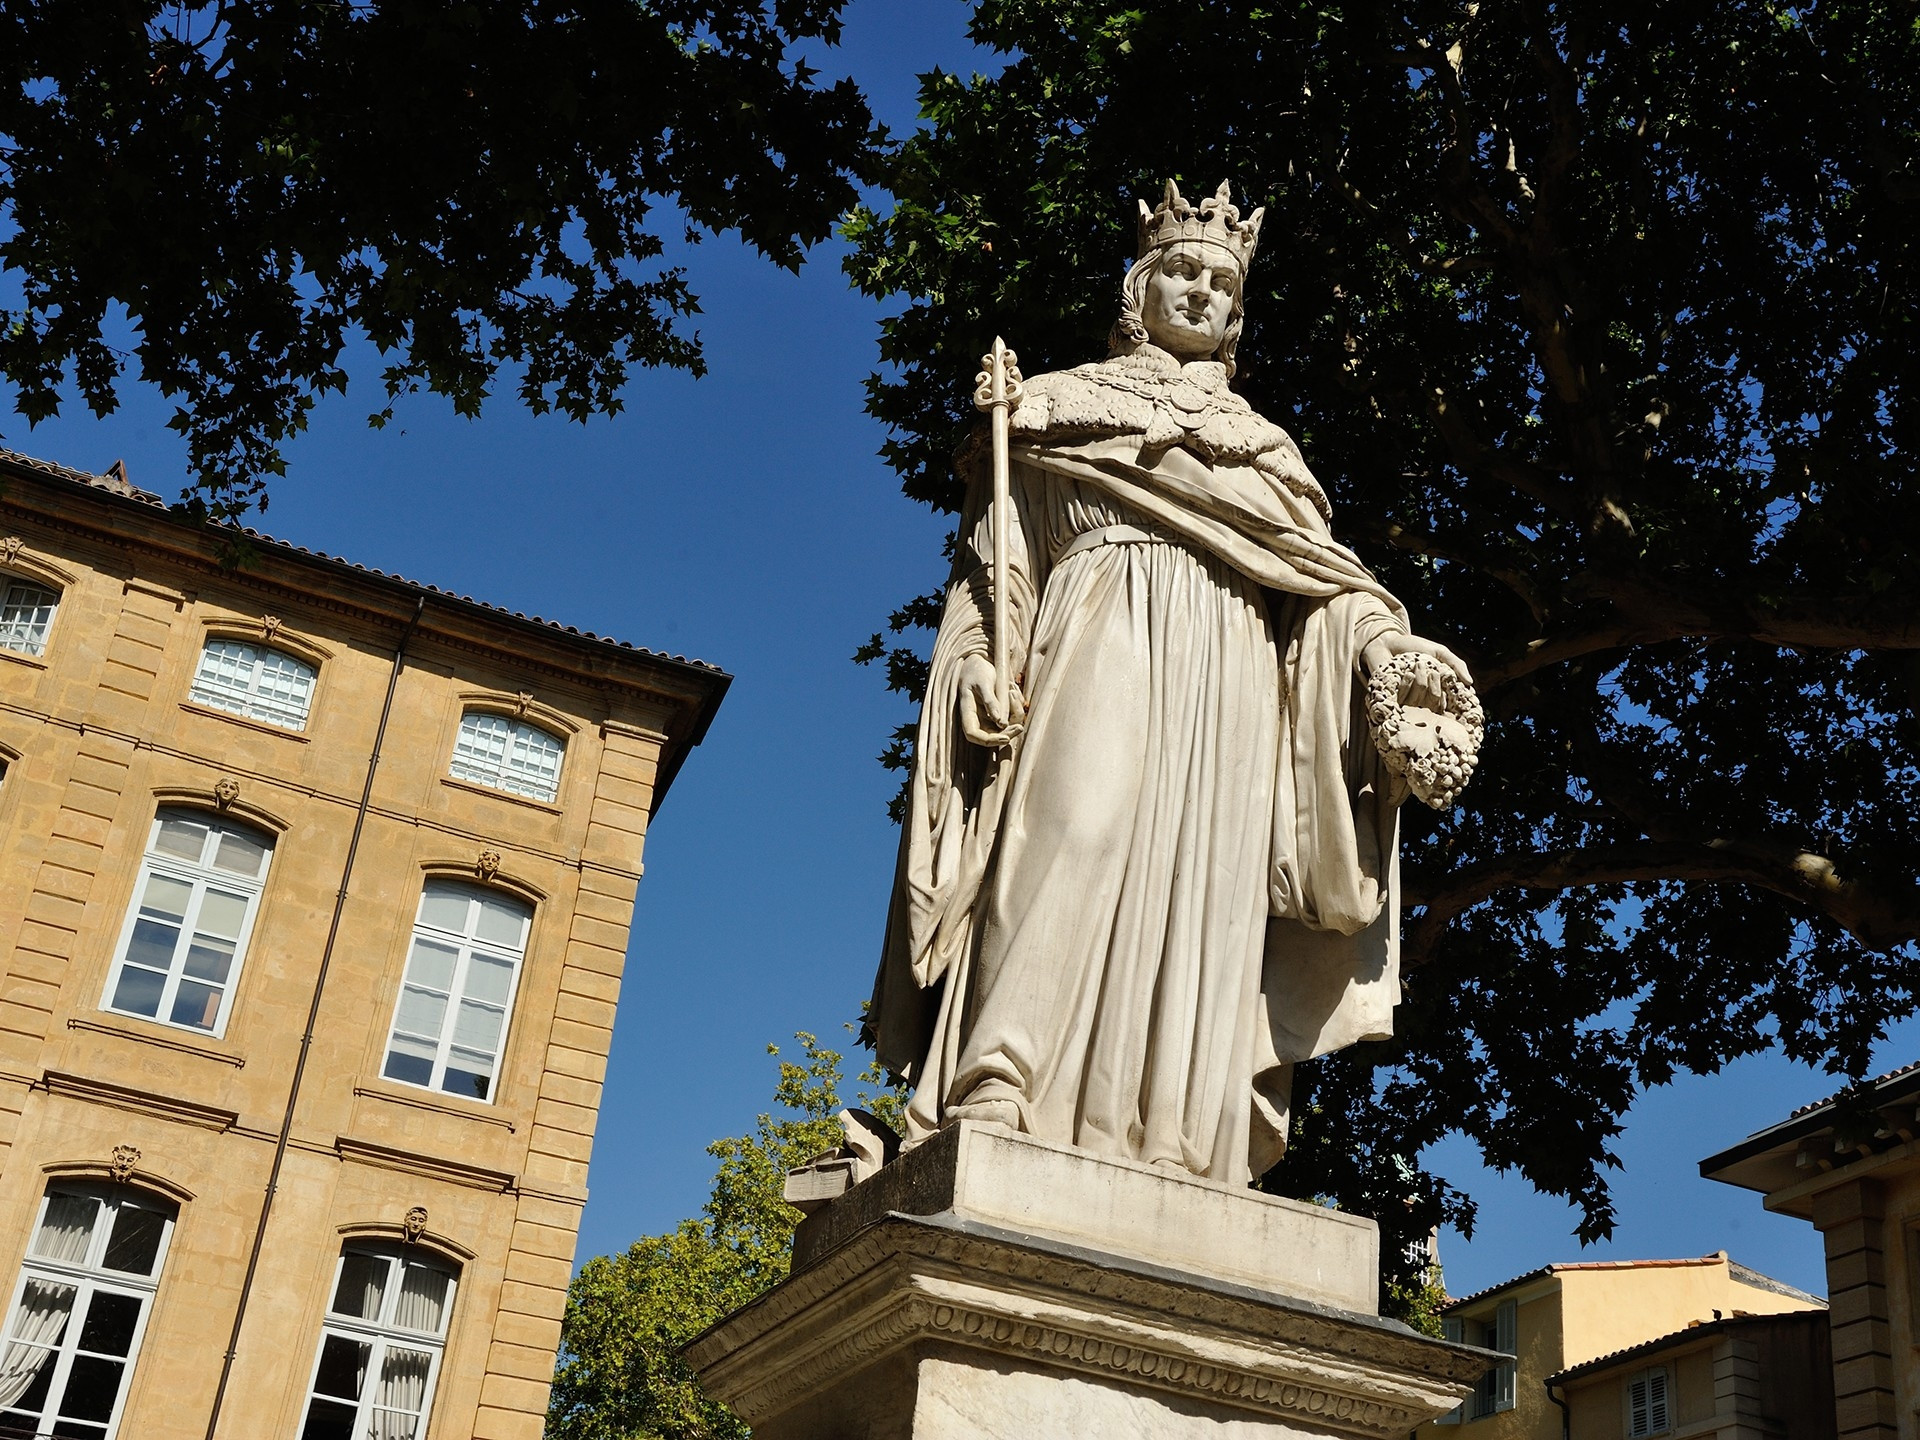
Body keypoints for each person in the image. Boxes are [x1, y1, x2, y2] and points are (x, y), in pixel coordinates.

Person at [865, 180, 1474, 1186]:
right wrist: (976, 661)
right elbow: (995, 567)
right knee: (1070, 829)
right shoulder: (1050, 405)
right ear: (1137, 290)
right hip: (1097, 632)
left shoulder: (1270, 453)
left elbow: (1324, 584)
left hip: (1230, 671)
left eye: (1220, 282)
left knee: (1204, 882)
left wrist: (1381, 656)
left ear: (1237, 316)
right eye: (1180, 271)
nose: (1199, 291)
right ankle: (998, 1077)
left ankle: (1173, 1131)